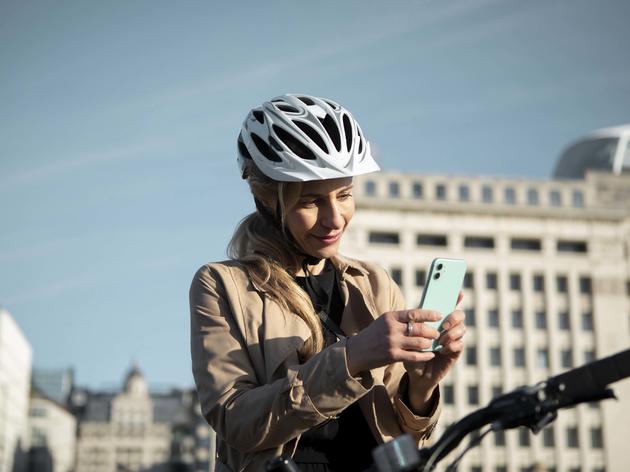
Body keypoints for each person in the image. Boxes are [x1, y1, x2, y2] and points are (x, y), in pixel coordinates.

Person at [190, 94, 466, 471]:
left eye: (345, 195)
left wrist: (421, 387)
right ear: (266, 199)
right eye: (311, 202)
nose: (335, 218)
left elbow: (408, 436)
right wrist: (352, 358)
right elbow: (235, 420)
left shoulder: (374, 284)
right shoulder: (223, 286)